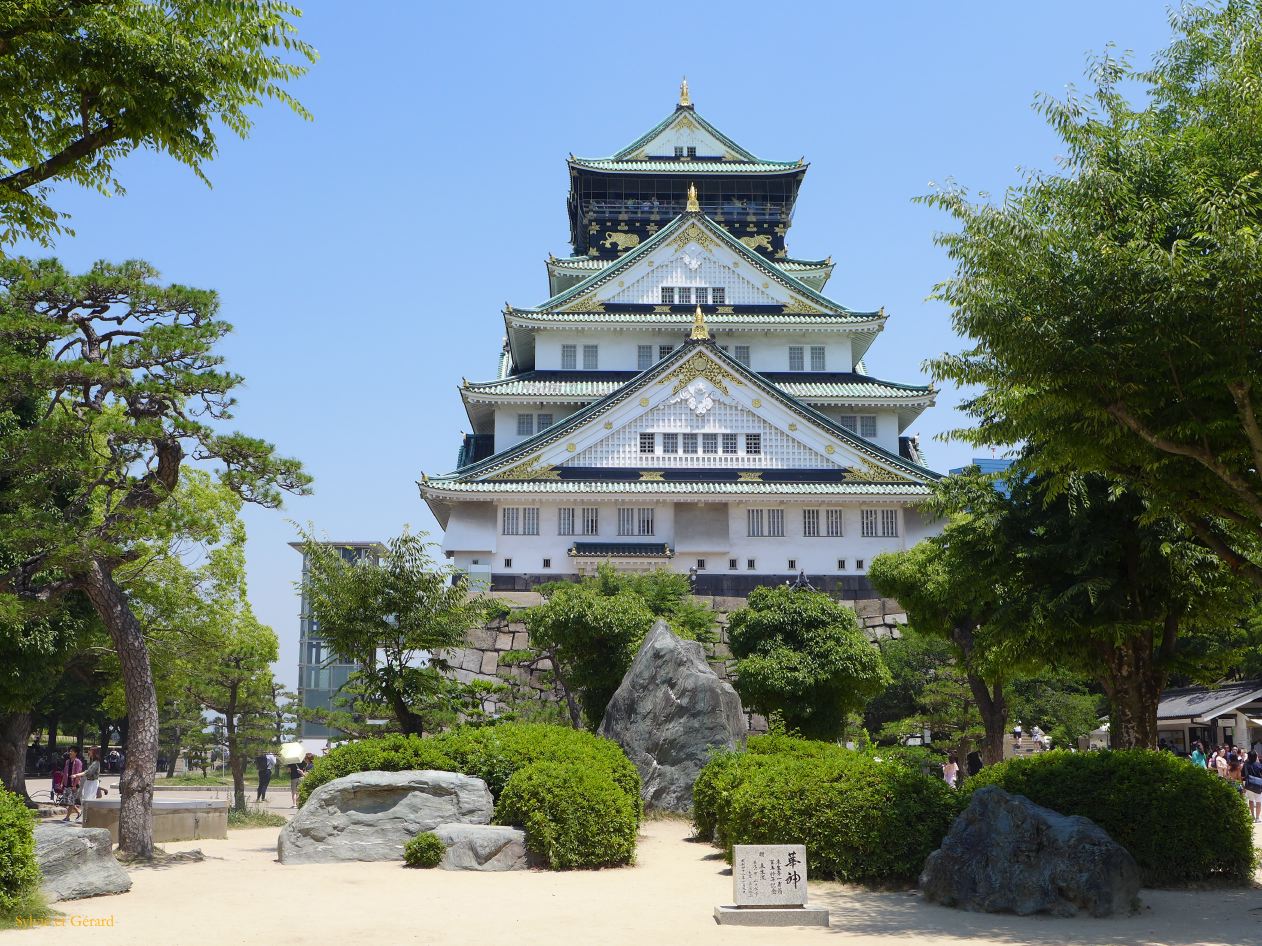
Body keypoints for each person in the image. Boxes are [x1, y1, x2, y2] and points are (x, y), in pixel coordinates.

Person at [61, 748, 83, 822]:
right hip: (67, 783)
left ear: (76, 753)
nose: (70, 752)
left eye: (72, 751)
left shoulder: (78, 762)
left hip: (74, 784)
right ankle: (78, 811)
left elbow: (78, 774)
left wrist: (75, 785)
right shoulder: (67, 761)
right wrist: (62, 782)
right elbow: (65, 772)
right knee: (67, 801)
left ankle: (67, 817)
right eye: (69, 751)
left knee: (71, 801)